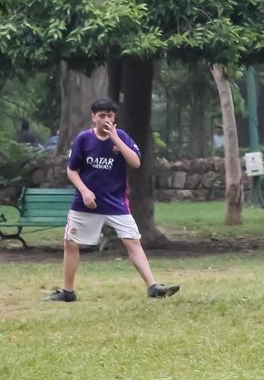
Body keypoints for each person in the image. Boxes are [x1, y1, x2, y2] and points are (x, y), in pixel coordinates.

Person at [46, 98, 179, 302]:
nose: (106, 119)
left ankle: (153, 287)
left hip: (116, 202)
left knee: (133, 241)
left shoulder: (122, 137)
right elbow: (71, 170)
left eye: (110, 115)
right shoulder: (83, 139)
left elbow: (135, 162)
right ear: (93, 118)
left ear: (114, 117)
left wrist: (116, 140)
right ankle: (67, 291)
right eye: (101, 115)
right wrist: (84, 191)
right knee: (71, 243)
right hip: (85, 204)